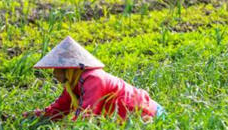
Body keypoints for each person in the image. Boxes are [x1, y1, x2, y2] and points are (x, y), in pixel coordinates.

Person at [23, 36, 165, 122]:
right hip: (131, 120)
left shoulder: (93, 79)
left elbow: (86, 114)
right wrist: (36, 116)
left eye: (59, 69)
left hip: (151, 114)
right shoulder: (74, 84)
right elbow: (60, 109)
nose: (55, 74)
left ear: (71, 68)